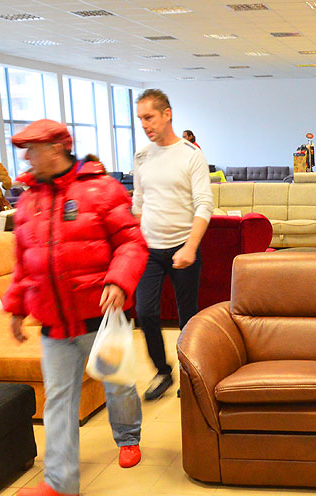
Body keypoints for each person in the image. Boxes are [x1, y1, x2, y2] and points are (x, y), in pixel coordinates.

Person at [4, 119, 148, 496]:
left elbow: (131, 242)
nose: (26, 157)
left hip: (100, 317)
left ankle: (128, 438)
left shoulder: (102, 189)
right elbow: (24, 261)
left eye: (33, 149)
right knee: (57, 400)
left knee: (118, 385)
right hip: (53, 323)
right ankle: (61, 482)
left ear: (56, 148)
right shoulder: (28, 201)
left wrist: (119, 281)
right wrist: (16, 307)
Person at [133, 89, 213, 400]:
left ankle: (190, 375)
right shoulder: (142, 156)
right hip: (150, 250)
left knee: (188, 318)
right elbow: (138, 202)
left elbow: (204, 204)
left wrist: (190, 247)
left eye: (149, 117)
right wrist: (136, 241)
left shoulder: (191, 155)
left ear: (167, 114)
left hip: (183, 246)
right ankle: (162, 371)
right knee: (145, 312)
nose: (144, 124)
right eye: (140, 119)